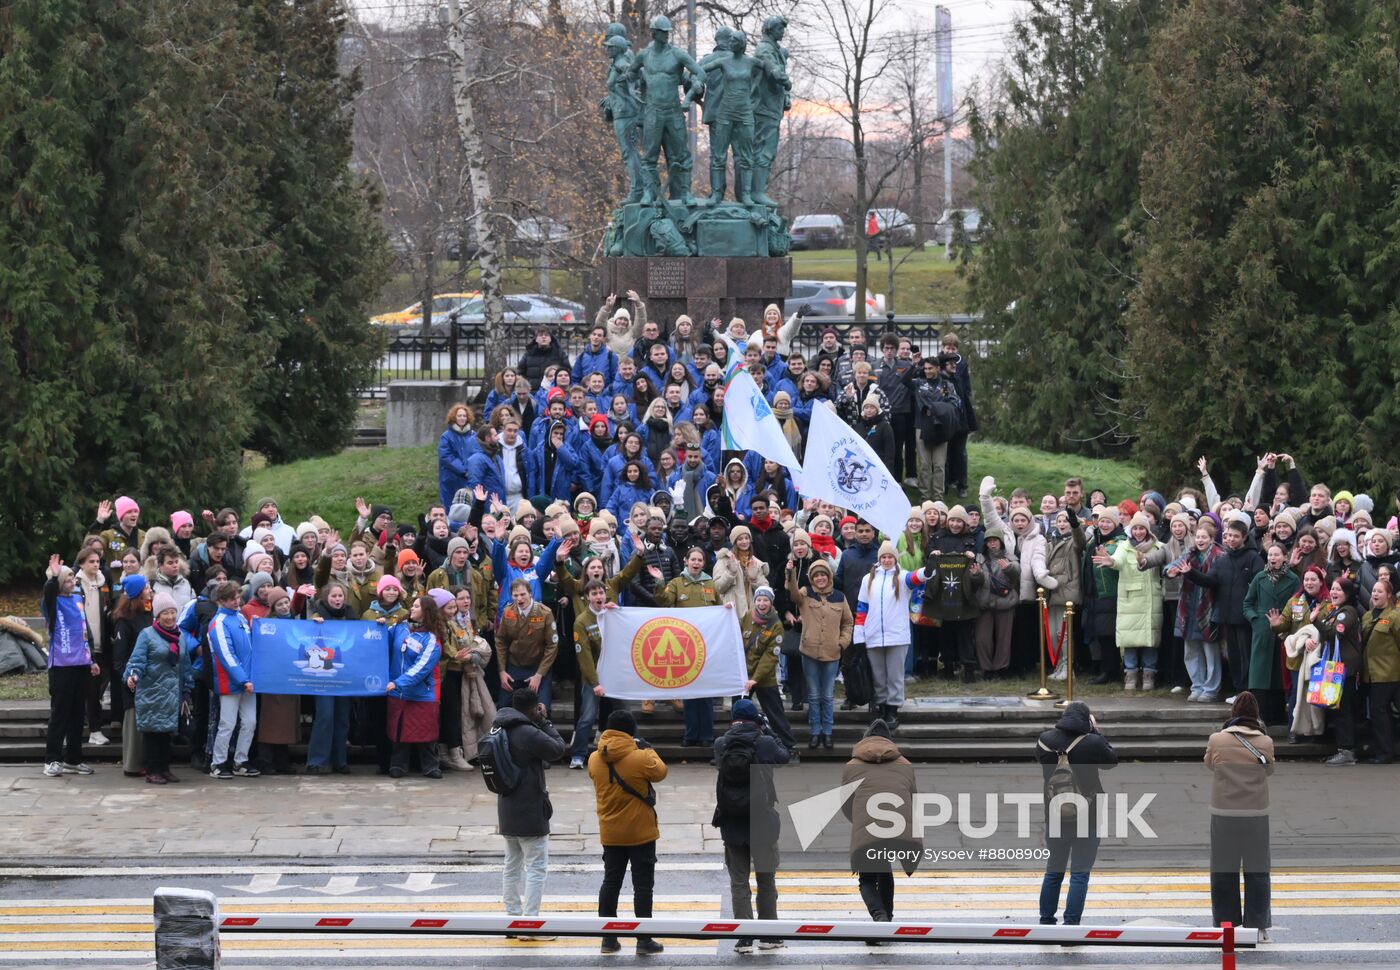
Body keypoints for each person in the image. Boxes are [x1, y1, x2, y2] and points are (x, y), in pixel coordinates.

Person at [587, 709, 668, 956]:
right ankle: (644, 940)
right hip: (640, 832)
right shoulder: (640, 757)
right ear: (631, 731)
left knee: (611, 882)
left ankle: (608, 940)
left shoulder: (593, 759)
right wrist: (648, 748)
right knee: (643, 886)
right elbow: (661, 772)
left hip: (610, 832)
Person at [712, 698, 790, 954]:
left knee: (739, 881)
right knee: (766, 879)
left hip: (732, 821)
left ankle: (744, 938)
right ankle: (770, 936)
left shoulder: (721, 743)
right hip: (761, 820)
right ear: (755, 718)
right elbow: (784, 756)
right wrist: (768, 731)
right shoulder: (764, 742)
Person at [1034, 701, 1117, 926]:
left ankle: (1046, 921)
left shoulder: (1044, 740)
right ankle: (1071, 925)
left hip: (1055, 814)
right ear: (1086, 719)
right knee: (1080, 874)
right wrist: (1095, 731)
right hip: (1087, 816)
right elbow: (1111, 762)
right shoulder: (1092, 741)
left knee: (1053, 871)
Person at [492, 687, 567, 922]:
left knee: (512, 865)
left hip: (506, 806)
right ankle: (530, 921)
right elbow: (557, 749)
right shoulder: (526, 732)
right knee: (536, 867)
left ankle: (512, 917)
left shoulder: (499, 726)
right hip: (529, 808)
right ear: (534, 708)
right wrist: (545, 722)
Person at [1204, 691, 1275, 941]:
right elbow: (1270, 771)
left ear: (1233, 713)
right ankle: (1258, 925)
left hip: (1223, 813)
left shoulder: (1217, 740)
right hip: (1256, 813)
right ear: (1256, 715)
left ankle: (1226, 923)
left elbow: (1210, 764)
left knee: (1224, 869)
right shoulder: (1265, 742)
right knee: (1257, 870)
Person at [841, 719, 919, 934]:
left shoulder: (852, 766)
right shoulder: (905, 764)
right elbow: (913, 800)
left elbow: (846, 803)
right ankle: (887, 920)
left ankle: (880, 916)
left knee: (867, 879)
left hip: (868, 828)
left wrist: (859, 822)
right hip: (897, 827)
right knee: (884, 870)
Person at [853, 541, 928, 727]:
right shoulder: (868, 579)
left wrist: (930, 568)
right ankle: (880, 707)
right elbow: (862, 608)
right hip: (873, 635)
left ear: (895, 559)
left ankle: (893, 710)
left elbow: (917, 577)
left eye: (890, 557)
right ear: (879, 559)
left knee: (895, 675)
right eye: (884, 557)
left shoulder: (902, 578)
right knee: (878, 676)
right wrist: (860, 635)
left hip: (897, 636)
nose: (887, 560)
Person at [123, 592, 193, 784]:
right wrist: (133, 676)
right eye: (165, 613)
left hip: (172, 693)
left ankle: (164, 768)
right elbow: (136, 660)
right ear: (157, 615)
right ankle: (152, 770)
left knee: (166, 734)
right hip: (152, 692)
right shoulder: (147, 635)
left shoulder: (180, 637)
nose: (170, 617)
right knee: (153, 734)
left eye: (172, 612)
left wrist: (187, 688)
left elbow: (185, 665)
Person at [41, 555, 100, 777]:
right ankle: (52, 759)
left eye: (72, 579)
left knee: (77, 714)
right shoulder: (52, 602)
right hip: (61, 666)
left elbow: (85, 631)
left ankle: (73, 759)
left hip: (81, 663)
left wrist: (91, 658)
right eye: (66, 580)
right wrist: (53, 576)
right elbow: (48, 593)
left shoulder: (77, 599)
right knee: (60, 713)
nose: (71, 583)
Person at [786, 558, 852, 749]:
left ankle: (828, 732)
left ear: (829, 576)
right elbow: (793, 595)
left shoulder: (840, 597)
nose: (820, 578)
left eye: (823, 574)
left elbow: (848, 622)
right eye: (816, 575)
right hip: (810, 652)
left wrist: (842, 642)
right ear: (812, 578)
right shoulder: (806, 593)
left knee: (828, 695)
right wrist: (790, 573)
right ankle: (815, 732)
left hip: (832, 652)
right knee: (814, 695)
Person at [385, 594, 446, 779]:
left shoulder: (432, 639)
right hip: (397, 693)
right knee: (399, 731)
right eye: (412, 605)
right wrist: (379, 626)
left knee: (425, 731)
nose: (412, 608)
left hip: (422, 693)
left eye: (417, 606)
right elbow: (379, 641)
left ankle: (430, 765)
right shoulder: (399, 627)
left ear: (426, 612)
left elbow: (421, 668)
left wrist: (397, 682)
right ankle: (398, 765)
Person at [208, 581, 260, 780]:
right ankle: (218, 762)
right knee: (227, 723)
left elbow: (248, 648)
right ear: (221, 601)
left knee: (250, 722)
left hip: (246, 679)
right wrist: (242, 678)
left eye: (238, 597)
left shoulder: (238, 617)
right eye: (233, 599)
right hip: (230, 681)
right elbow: (226, 655)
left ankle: (241, 759)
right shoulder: (218, 622)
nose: (237, 601)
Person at [740, 586, 797, 753]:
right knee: (738, 714)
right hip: (745, 675)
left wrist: (755, 679)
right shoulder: (748, 616)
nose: (762, 603)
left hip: (763, 677)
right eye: (759, 599)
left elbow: (770, 656)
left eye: (765, 600)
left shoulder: (776, 625)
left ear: (771, 602)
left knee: (775, 714)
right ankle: (734, 746)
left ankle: (789, 745)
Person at [496, 578, 560, 710]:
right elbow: (501, 641)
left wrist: (539, 675)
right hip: (515, 666)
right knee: (503, 707)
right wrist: (502, 670)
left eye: (523, 594)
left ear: (530, 593)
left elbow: (552, 646)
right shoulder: (508, 612)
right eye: (515, 595)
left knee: (542, 709)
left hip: (538, 666)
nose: (519, 598)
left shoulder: (545, 612)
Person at [1360, 579, 1400, 764]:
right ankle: (1381, 748)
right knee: (1378, 713)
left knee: (1380, 711)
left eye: (1380, 592)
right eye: (1374, 591)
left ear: (1389, 595)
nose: (1375, 594)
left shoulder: (1395, 616)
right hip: (1370, 673)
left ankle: (1386, 751)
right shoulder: (1367, 616)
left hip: (1389, 673)